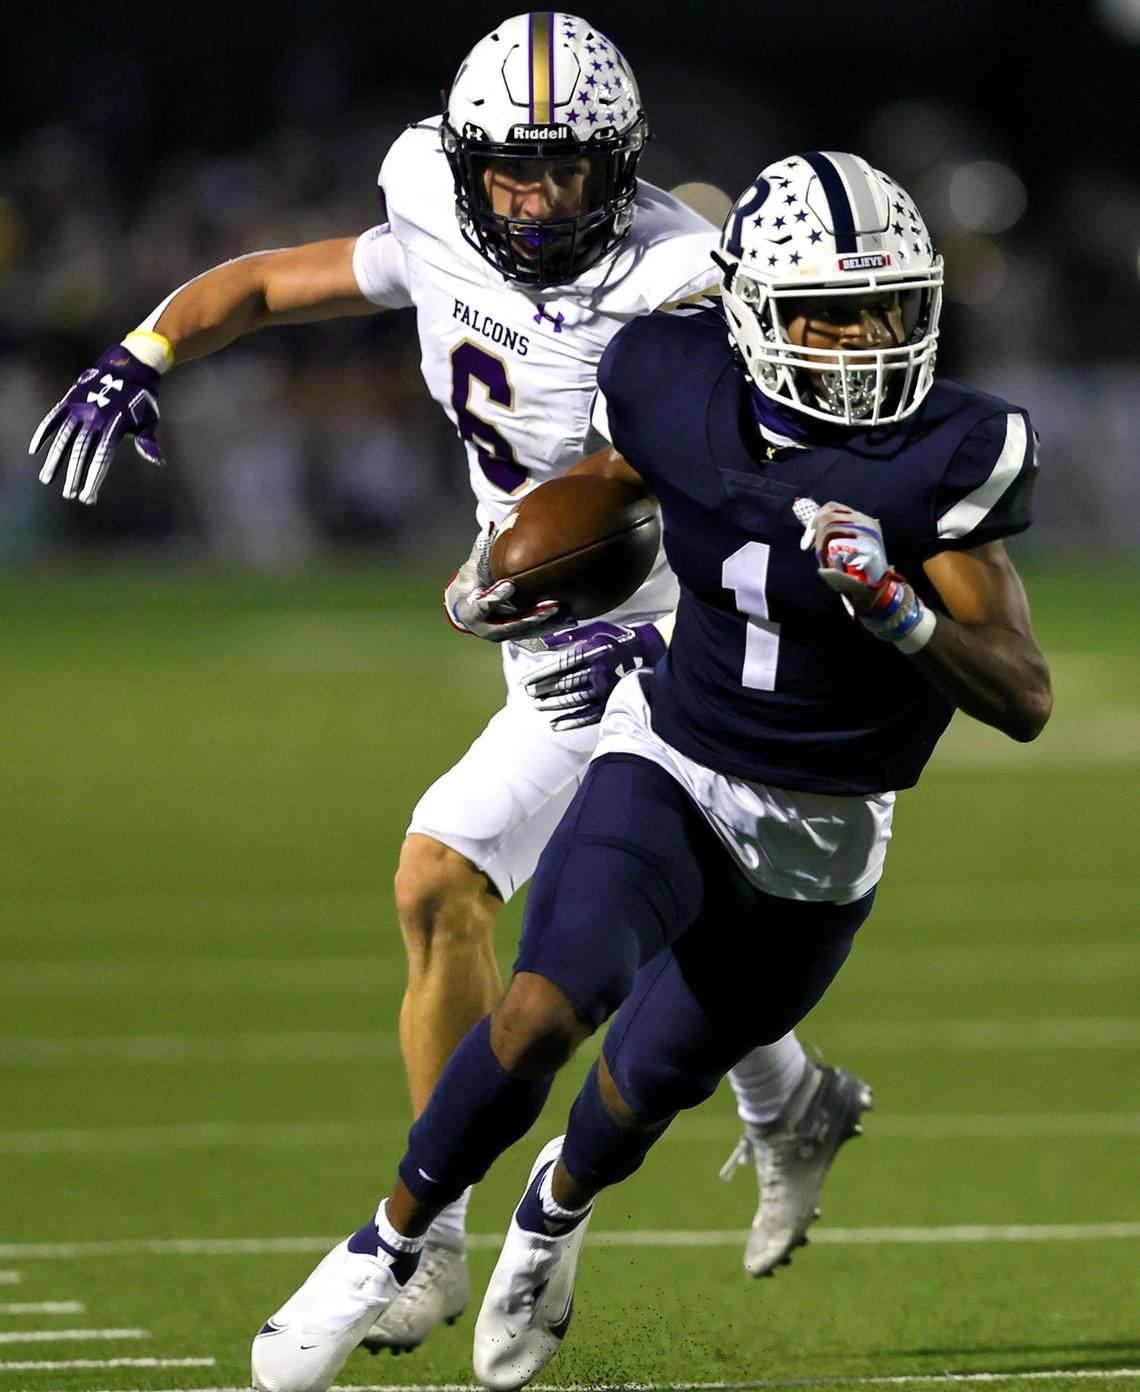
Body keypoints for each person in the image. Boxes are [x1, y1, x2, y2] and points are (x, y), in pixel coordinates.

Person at [27, 11, 871, 1356]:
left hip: (664, 637)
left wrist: (543, 570)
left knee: (569, 916)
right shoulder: (430, 193)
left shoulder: (674, 276)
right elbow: (278, 281)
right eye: (512, 170)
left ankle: (425, 1238)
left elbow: (692, 478)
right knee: (487, 896)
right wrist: (149, 347)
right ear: (466, 160)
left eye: (570, 172)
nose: (536, 200)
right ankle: (779, 1104)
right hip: (548, 644)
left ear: (622, 166)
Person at [246, 149, 1052, 1392]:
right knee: (541, 1008)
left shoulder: (948, 450)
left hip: (822, 832)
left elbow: (1026, 694)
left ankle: (549, 1220)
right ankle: (380, 1248)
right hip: (669, 752)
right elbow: (613, 489)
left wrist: (904, 619)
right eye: (826, 311)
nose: (864, 338)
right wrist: (513, 570)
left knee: (633, 1099)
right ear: (749, 313)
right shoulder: (666, 374)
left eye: (887, 306)